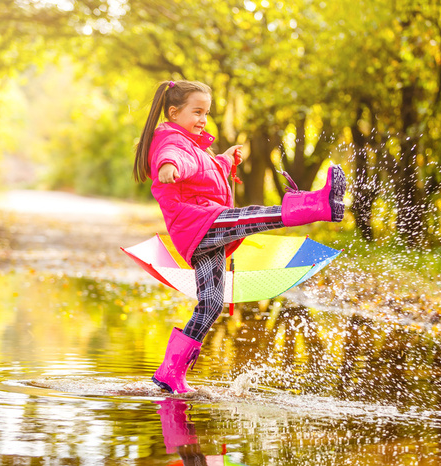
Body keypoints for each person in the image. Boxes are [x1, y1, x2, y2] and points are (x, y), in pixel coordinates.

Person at [134, 80, 346, 394]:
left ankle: (170, 372)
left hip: (199, 228)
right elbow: (177, 159)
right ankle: (317, 205)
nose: (203, 119)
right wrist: (168, 165)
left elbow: (202, 169)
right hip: (199, 223)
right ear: (173, 112)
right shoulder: (171, 142)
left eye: (206, 112)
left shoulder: (192, 144)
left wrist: (225, 159)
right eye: (197, 111)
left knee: (211, 303)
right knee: (252, 218)